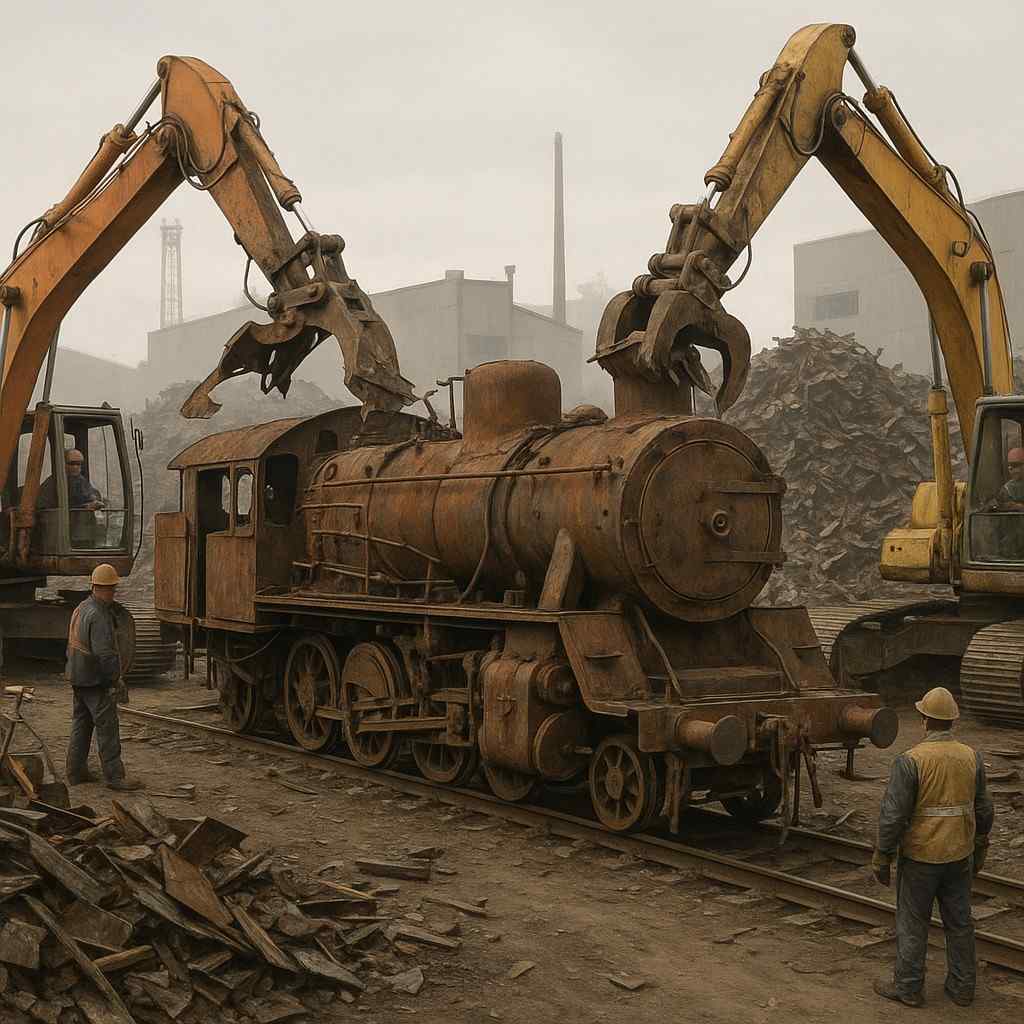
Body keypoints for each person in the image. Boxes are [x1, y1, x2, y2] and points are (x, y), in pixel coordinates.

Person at [872, 687, 994, 1007]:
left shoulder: (910, 760)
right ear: (952, 721)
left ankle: (909, 988)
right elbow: (984, 810)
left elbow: (893, 816)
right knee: (960, 923)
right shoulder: (972, 757)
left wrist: (882, 855)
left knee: (913, 922)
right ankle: (963, 987)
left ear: (924, 720)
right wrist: (980, 846)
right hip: (959, 855)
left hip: (921, 857)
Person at [65, 564, 143, 791]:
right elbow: (106, 654)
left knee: (81, 724)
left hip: (77, 676)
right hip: (94, 680)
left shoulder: (82, 607)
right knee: (107, 726)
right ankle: (115, 777)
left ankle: (75, 773)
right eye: (113, 589)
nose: (114, 593)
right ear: (108, 588)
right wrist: (114, 680)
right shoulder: (100, 615)